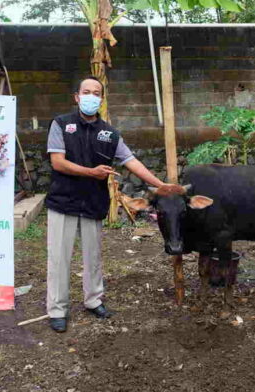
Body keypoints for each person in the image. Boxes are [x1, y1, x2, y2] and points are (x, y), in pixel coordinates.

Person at [45, 76, 165, 333]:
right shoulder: (61, 124)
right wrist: (91, 173)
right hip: (63, 201)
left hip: (93, 202)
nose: (91, 96)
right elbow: (58, 162)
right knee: (59, 258)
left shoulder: (110, 134)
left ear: (101, 98)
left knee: (93, 257)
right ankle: (57, 309)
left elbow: (131, 161)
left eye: (96, 93)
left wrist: (160, 185)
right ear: (76, 97)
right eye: (85, 92)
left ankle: (93, 300)